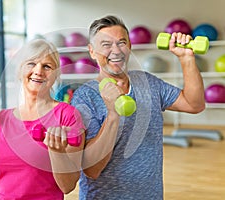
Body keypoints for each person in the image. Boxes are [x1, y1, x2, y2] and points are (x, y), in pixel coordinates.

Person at [70, 15, 205, 199]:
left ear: (130, 47)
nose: (116, 51)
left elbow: (194, 104)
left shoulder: (147, 83)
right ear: (92, 51)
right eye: (106, 44)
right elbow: (92, 170)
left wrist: (187, 58)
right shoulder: (85, 97)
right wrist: (112, 115)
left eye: (121, 42)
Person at [0, 39, 85, 200]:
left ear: (55, 76)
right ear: (20, 71)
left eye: (47, 66)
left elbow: (68, 186)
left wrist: (57, 151)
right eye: (31, 63)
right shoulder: (1, 119)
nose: (38, 71)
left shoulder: (67, 116)